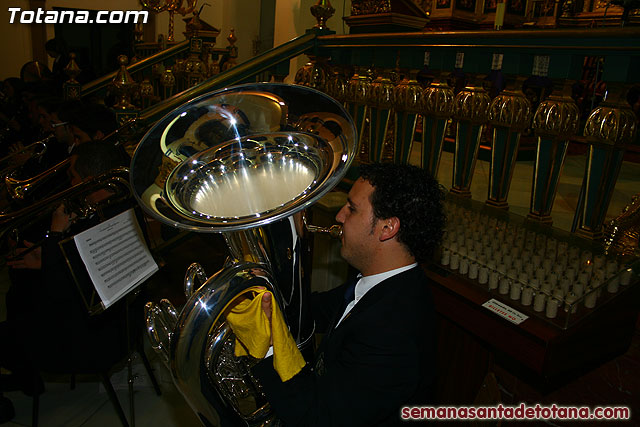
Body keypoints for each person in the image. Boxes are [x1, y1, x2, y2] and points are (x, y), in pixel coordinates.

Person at [251, 162, 446, 426]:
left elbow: (317, 419)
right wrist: (270, 296)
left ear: (387, 228)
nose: (339, 216)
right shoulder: (386, 282)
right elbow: (318, 309)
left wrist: (265, 345)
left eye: (352, 209)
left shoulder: (390, 333)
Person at [0, 141, 131, 421]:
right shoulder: (123, 210)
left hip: (91, 345)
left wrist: (56, 234)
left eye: (73, 177)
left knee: (16, 309)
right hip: (124, 331)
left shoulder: (97, 222)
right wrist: (47, 257)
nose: (69, 183)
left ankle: (21, 380)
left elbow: (56, 294)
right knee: (20, 292)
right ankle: (26, 375)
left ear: (89, 181)